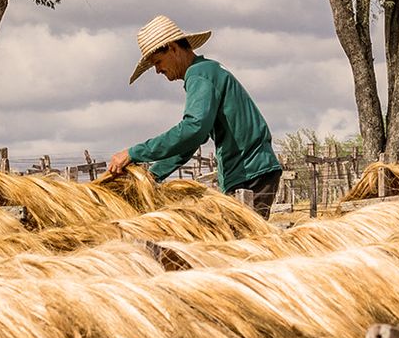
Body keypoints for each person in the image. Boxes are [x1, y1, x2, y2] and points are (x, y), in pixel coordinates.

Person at [106, 14, 283, 216]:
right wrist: (152, 175)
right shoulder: (207, 70)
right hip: (251, 172)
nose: (157, 70)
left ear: (173, 48)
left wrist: (133, 153)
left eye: (158, 62)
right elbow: (191, 140)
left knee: (240, 236)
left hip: (250, 174)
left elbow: (193, 128)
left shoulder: (198, 74)